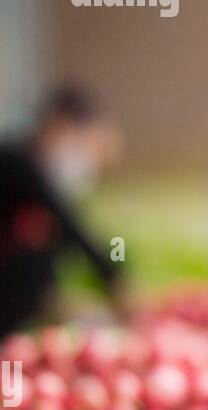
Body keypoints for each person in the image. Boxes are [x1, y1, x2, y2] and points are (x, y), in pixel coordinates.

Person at [0, 87, 124, 336]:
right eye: (89, 148)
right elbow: (75, 230)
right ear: (60, 127)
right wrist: (116, 276)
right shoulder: (16, 166)